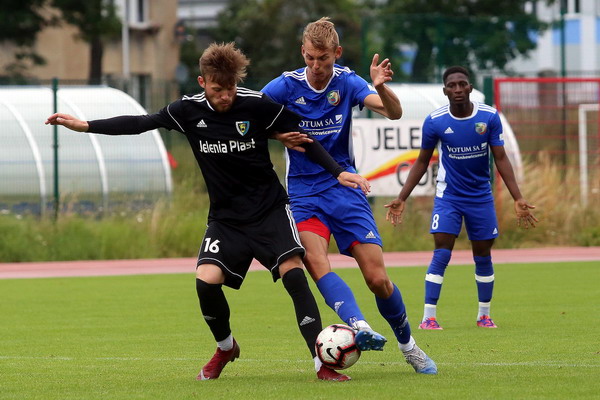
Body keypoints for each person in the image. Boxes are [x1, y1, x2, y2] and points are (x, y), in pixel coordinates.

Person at [45, 42, 372, 382]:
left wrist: (337, 172)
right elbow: (141, 122)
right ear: (203, 82)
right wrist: (85, 125)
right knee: (206, 282)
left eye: (230, 88)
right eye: (218, 90)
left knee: (294, 275)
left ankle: (322, 365)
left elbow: (303, 137)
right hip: (226, 220)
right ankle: (226, 347)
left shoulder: (256, 104)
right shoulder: (187, 111)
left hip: (270, 211)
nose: (226, 96)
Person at [262, 17, 437, 374]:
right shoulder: (284, 86)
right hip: (304, 194)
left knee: (378, 279)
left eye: (323, 58)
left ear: (337, 53)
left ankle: (409, 346)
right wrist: (278, 135)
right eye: (310, 57)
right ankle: (360, 326)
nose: (316, 66)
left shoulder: (347, 81)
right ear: (302, 52)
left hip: (346, 190)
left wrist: (381, 87)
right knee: (316, 261)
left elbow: (393, 112)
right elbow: (248, 118)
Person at [385, 66, 538, 330]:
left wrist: (518, 197)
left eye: (462, 84)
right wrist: (402, 197)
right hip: (449, 197)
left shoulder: (489, 117)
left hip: (480, 197)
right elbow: (422, 161)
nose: (457, 89)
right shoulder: (435, 121)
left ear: (470, 88)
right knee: (442, 252)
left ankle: (484, 316)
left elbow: (501, 158)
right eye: (452, 85)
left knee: (483, 254)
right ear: (445, 91)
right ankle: (428, 317)